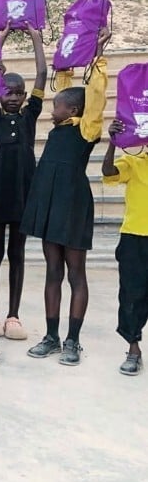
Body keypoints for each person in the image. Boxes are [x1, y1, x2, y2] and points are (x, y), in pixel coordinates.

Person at [22, 27, 111, 366]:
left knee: (76, 273)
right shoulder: (60, 128)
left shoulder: (86, 129)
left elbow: (95, 96)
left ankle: (73, 340)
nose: (51, 109)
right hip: (49, 203)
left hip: (72, 204)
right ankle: (51, 336)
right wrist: (66, 55)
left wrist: (98, 56)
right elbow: (63, 80)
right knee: (52, 272)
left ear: (72, 110)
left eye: (56, 106)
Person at [0, 24, 47, 340]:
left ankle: (13, 315)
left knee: (17, 254)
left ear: (24, 96)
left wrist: (35, 38)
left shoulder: (30, 115)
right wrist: (1, 37)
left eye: (18, 92)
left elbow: (42, 74)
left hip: (23, 196)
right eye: (7, 91)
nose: (12, 97)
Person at [102, 119, 148, 376]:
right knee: (131, 295)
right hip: (135, 237)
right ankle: (133, 348)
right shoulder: (134, 161)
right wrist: (113, 143)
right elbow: (109, 172)